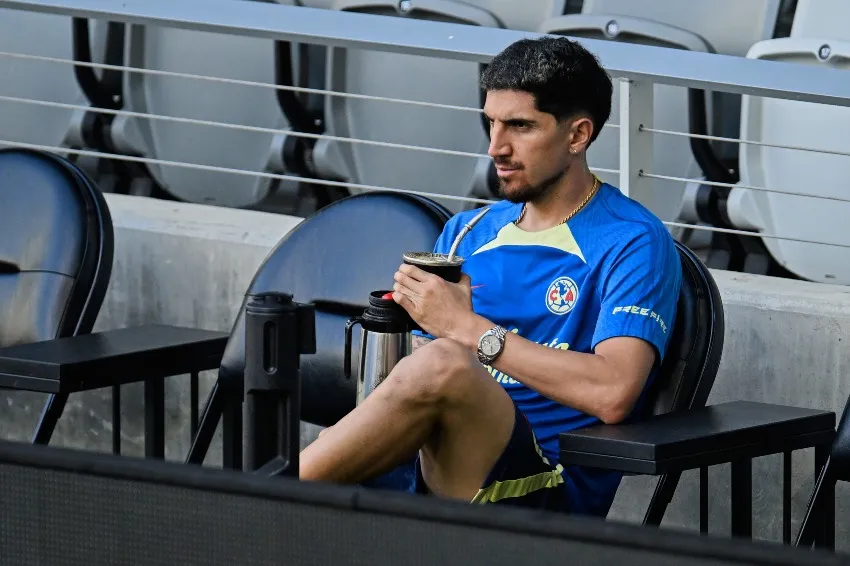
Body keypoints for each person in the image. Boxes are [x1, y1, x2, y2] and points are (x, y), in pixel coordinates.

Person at [299, 35, 682, 517]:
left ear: (577, 136)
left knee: (445, 362)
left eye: (520, 126)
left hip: (542, 484)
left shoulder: (632, 240)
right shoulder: (467, 231)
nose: (496, 147)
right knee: (424, 364)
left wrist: (466, 329)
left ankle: (253, 497)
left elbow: (613, 393)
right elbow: (413, 380)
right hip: (427, 460)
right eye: (491, 123)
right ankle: (268, 496)